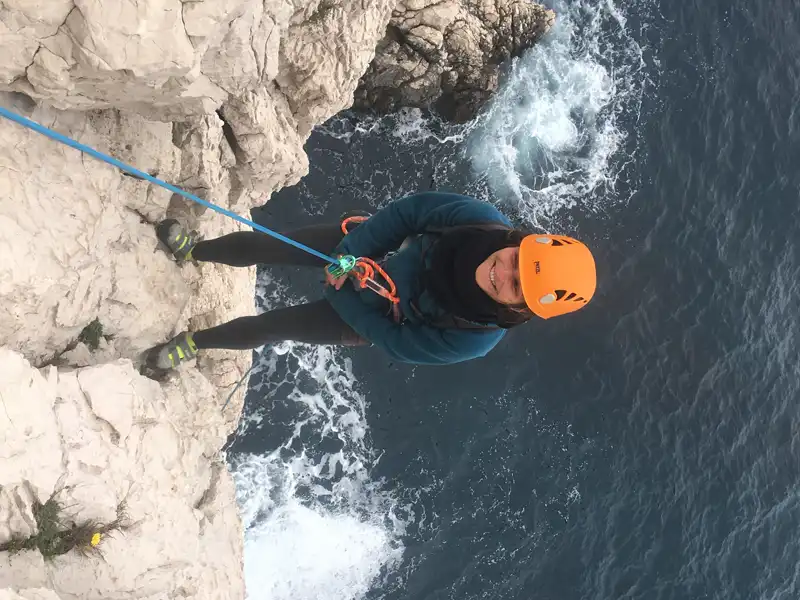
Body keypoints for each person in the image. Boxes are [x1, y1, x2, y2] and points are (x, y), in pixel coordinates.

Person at [145, 191, 596, 368]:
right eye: (516, 260)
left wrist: (343, 297)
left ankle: (193, 344)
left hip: (365, 316)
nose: (502, 272)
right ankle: (194, 251)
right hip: (367, 247)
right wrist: (348, 256)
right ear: (523, 242)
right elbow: (410, 213)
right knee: (275, 245)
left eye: (516, 286)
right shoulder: (481, 222)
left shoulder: (472, 338)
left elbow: (394, 341)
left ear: (521, 309)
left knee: (274, 326)